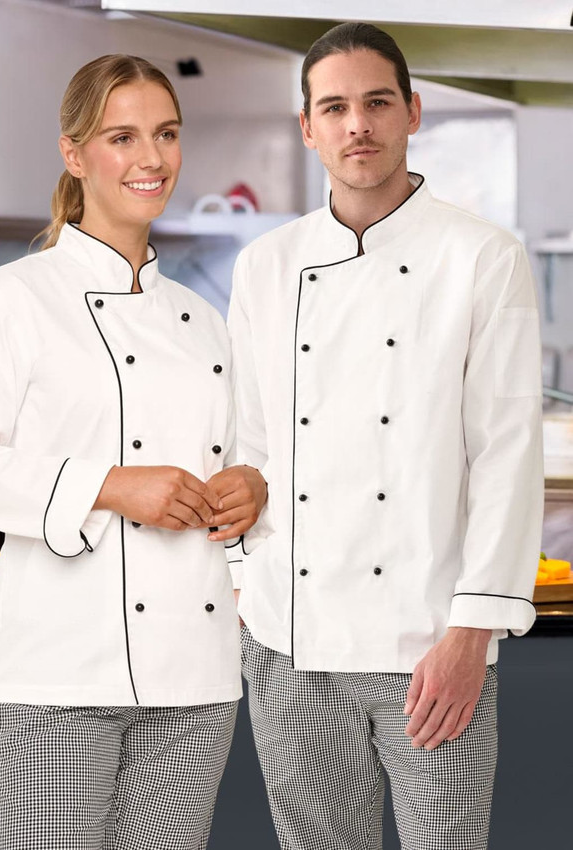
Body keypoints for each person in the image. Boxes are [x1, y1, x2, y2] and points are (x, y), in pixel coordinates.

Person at [0, 54, 266, 850]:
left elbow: (243, 471)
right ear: (75, 155)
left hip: (194, 677)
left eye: (167, 134)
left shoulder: (205, 326)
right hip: (58, 674)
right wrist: (108, 486)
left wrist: (251, 488)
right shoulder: (10, 300)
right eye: (123, 136)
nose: (151, 158)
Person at [214, 21, 543, 850]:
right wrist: (244, 586)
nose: (356, 123)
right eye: (335, 107)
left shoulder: (482, 257)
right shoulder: (266, 265)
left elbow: (507, 454)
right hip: (292, 643)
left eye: (375, 102)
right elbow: (246, 445)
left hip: (431, 643)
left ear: (412, 112)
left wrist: (473, 634)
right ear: (308, 127)